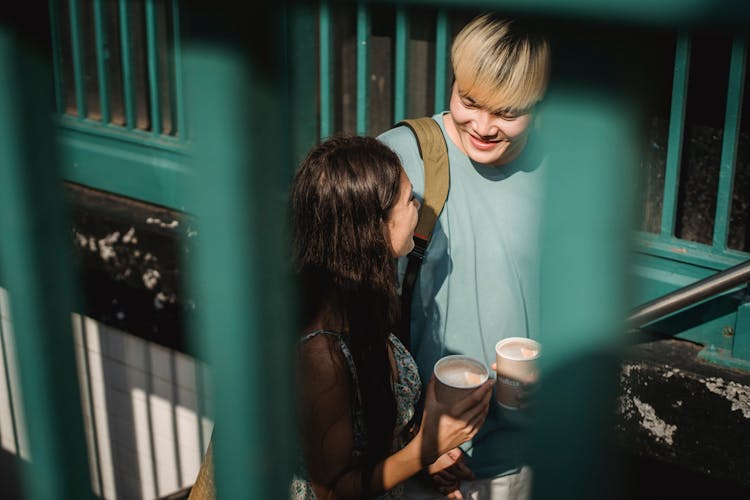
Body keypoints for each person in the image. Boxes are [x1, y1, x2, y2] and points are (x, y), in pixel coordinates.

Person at [377, 12, 551, 500]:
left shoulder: (565, 167)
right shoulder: (403, 157)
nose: (482, 125)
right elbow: (346, 304)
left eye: (507, 112)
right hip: (414, 453)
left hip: (519, 459)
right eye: (468, 101)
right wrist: (414, 443)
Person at [287, 135, 495, 499]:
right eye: (408, 198)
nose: (418, 204)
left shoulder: (359, 302)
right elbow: (331, 493)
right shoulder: (322, 355)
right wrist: (424, 448)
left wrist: (420, 445)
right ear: (373, 227)